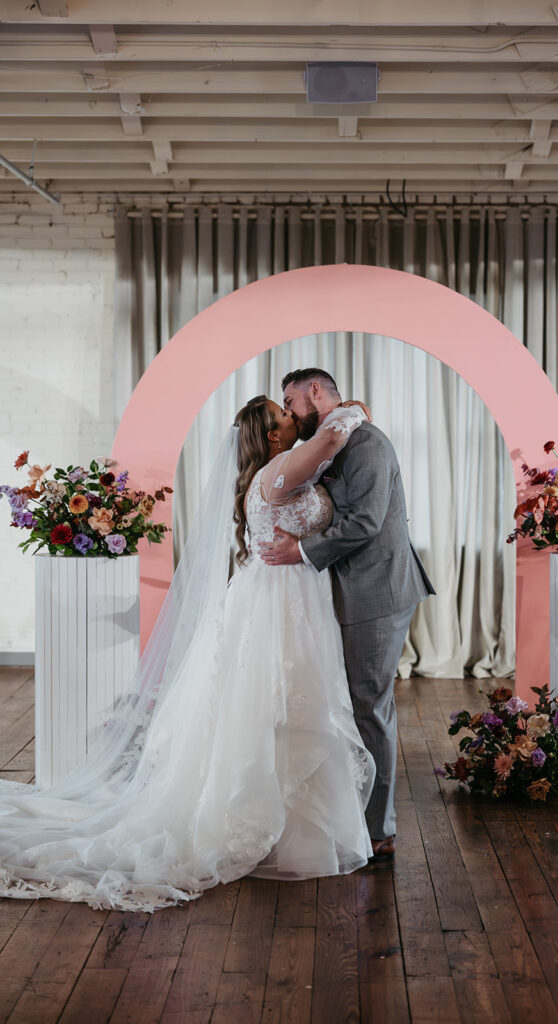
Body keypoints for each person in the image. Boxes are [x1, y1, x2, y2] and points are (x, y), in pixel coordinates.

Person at [0, 395, 377, 911]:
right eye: (285, 413)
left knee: (287, 708)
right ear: (271, 434)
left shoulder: (279, 467)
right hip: (278, 601)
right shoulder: (281, 470)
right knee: (273, 704)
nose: (295, 418)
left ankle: (297, 823)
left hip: (288, 594)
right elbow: (333, 438)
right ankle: (267, 822)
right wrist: (352, 407)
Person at [259, 369, 435, 864]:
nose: (290, 412)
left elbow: (367, 521)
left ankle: (378, 829)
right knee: (349, 702)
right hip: (345, 587)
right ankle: (347, 812)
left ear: (316, 392)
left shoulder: (367, 445)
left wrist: (302, 551)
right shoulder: (337, 439)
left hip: (376, 589)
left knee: (369, 705)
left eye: (292, 400)